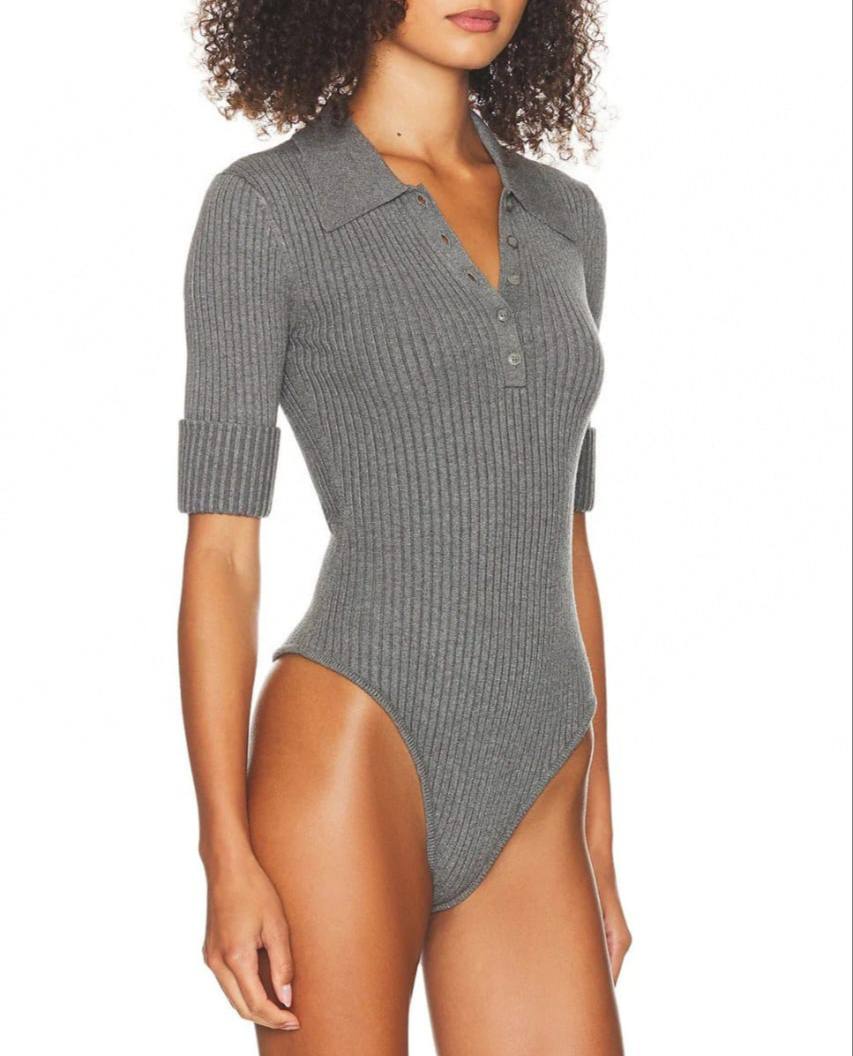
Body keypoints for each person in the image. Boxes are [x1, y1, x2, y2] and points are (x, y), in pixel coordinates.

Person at [178, 1, 631, 1051]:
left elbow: (565, 532)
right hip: (353, 736)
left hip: (539, 760)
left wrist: (599, 827)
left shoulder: (567, 217)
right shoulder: (266, 207)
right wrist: (223, 853)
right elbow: (223, 552)